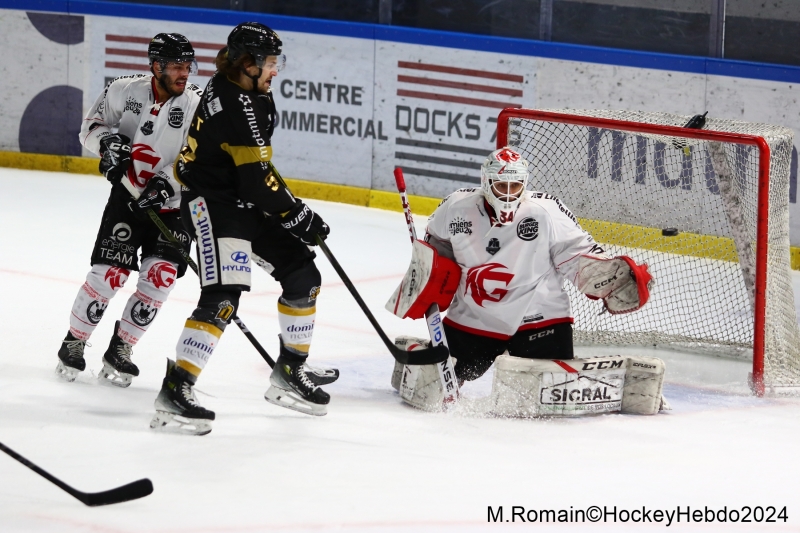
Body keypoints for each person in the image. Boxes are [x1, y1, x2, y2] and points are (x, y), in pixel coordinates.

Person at [149, 22, 334, 436]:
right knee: (222, 298)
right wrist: (296, 215)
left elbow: (257, 171)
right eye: (271, 62)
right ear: (248, 63)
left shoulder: (243, 90)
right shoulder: (237, 104)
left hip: (242, 202)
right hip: (211, 207)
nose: (276, 69)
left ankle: (290, 370)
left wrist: (292, 210)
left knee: (303, 274)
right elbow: (255, 180)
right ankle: (175, 390)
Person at [411, 146, 653, 384]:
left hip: (540, 316)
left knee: (552, 389)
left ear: (524, 183)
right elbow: (437, 244)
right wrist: (428, 274)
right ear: (486, 182)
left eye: (515, 185)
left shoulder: (545, 211)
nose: (508, 193)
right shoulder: (456, 206)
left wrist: (605, 274)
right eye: (501, 185)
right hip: (475, 316)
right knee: (438, 382)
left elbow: (576, 252)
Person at [56, 34, 203, 387]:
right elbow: (91, 128)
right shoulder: (125, 90)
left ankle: (121, 349)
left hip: (176, 207)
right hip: (127, 197)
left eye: (188, 65)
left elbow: (201, 158)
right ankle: (74, 342)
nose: (185, 73)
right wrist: (107, 145)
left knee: (160, 278)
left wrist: (168, 183)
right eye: (176, 66)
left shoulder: (199, 106)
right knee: (109, 273)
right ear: (155, 66)